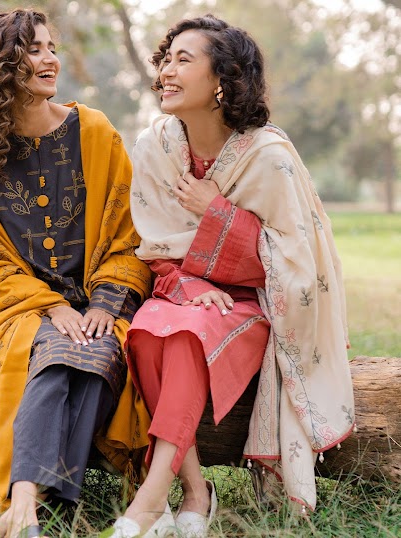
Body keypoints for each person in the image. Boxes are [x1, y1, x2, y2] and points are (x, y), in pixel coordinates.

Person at [108, 14, 355, 538]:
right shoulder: (156, 146)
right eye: (165, 60)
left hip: (252, 302)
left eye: (183, 60)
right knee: (148, 334)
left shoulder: (268, 155)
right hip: (180, 292)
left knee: (185, 334)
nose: (166, 73)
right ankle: (197, 491)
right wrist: (190, 284)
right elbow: (154, 241)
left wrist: (217, 210)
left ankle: (151, 500)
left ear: (222, 79)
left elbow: (294, 259)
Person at [0, 9, 152, 538]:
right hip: (21, 308)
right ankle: (30, 509)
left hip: (99, 298)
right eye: (34, 50)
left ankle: (21, 511)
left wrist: (103, 306)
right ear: (2, 66)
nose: (50, 59)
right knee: (55, 351)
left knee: (98, 351)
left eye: (51, 47)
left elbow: (129, 234)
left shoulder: (96, 132)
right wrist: (52, 307)